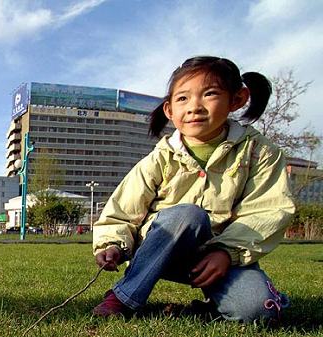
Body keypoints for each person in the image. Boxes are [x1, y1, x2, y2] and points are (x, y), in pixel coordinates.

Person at [91, 56, 295, 323]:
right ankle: (124, 298)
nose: (195, 107)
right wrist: (112, 244)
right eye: (183, 98)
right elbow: (123, 208)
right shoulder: (161, 157)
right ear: (169, 110)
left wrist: (226, 252)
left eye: (209, 94)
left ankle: (209, 311)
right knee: (188, 215)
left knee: (260, 311)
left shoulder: (260, 153)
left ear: (237, 99)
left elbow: (268, 211)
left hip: (218, 259)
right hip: (158, 252)